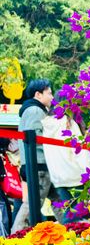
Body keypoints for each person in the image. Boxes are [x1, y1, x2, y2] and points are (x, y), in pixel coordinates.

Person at [11, 79, 63, 232]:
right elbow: (36, 139)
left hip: (40, 163)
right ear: (38, 94)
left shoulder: (31, 110)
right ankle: (16, 234)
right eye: (49, 93)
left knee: (59, 199)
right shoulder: (35, 111)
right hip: (40, 164)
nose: (52, 97)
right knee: (33, 203)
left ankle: (74, 226)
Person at [42, 91, 90, 222]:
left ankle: (68, 238)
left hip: (59, 177)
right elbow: (79, 151)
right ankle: (72, 240)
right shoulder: (69, 123)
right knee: (78, 217)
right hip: (76, 175)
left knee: (70, 213)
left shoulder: (47, 125)